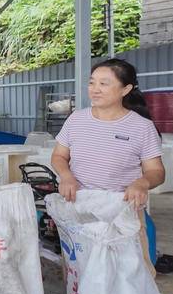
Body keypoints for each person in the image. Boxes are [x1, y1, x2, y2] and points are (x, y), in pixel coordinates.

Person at [51, 58, 164, 276]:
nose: (95, 89)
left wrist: (142, 183)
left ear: (126, 89)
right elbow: (59, 156)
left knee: (129, 276)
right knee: (82, 273)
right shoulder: (76, 120)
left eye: (104, 83)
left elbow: (156, 171)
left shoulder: (142, 127)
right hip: (79, 207)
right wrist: (66, 176)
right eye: (92, 82)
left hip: (121, 211)